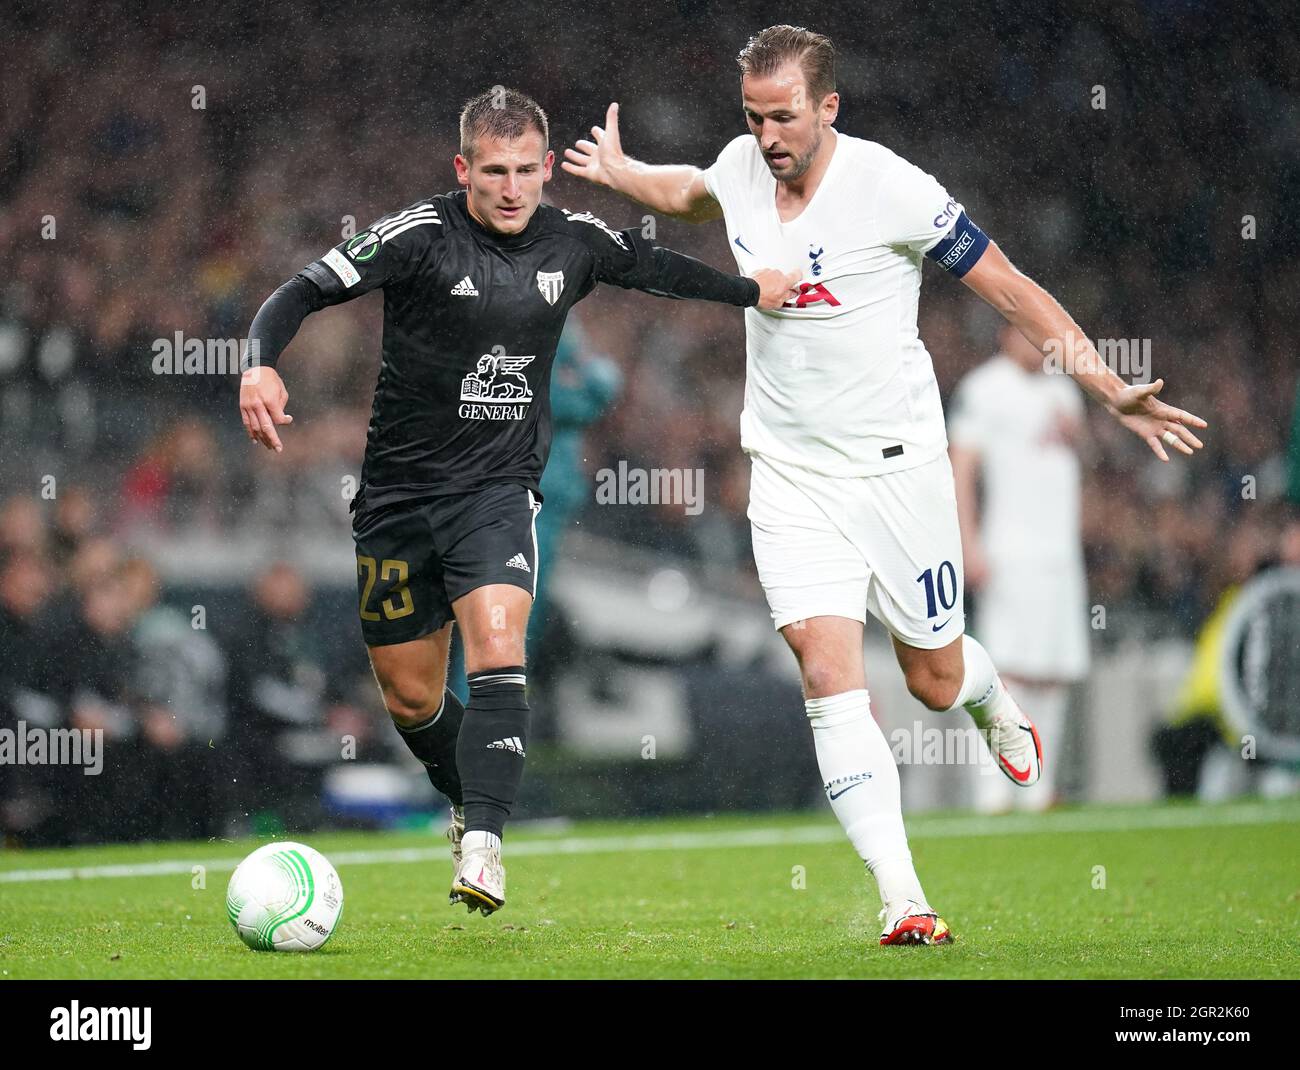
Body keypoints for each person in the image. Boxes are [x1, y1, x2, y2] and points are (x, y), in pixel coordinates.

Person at [563, 24, 1208, 944]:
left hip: (899, 469)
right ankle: (905, 898)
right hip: (788, 474)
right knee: (830, 680)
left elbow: (1012, 289)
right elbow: (696, 196)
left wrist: (1106, 385)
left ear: (829, 106)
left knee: (933, 679)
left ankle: (986, 692)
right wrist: (627, 175)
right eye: (753, 117)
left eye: (784, 116)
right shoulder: (745, 163)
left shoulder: (893, 189)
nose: (767, 135)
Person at [238, 88, 798, 916]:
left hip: (497, 494)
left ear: (545, 170)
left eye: (527, 171)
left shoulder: (573, 243)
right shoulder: (418, 236)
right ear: (464, 168)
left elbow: (661, 271)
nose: (511, 188)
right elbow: (301, 290)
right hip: (396, 500)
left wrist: (754, 291)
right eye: (493, 171)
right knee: (413, 698)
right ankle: (468, 794)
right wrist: (258, 362)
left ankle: (486, 846)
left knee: (501, 646)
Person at [948, 323, 1090, 813]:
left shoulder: (1064, 391)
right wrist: (968, 542)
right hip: (1008, 550)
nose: (1038, 346)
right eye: (1029, 334)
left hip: (1060, 553)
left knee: (1053, 669)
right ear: (1007, 333)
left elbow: (1073, 467)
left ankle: (1039, 787)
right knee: (1004, 672)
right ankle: (992, 791)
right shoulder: (983, 388)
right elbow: (961, 466)